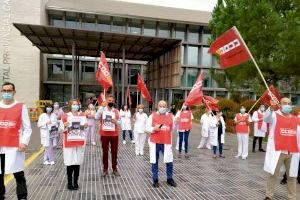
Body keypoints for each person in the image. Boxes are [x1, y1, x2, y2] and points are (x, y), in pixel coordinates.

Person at [0, 82, 32, 200]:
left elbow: (27, 128)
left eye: (9, 91)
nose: (7, 93)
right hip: (1, 147)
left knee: (18, 174)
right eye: (4, 91)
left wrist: (24, 142)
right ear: (1, 92)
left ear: (14, 92)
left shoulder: (21, 107)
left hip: (15, 147)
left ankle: (22, 197)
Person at [263, 97, 300, 200]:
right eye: (284, 103)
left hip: (292, 152)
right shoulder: (274, 115)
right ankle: (269, 196)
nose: (287, 105)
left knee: (292, 176)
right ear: (280, 104)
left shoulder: (295, 118)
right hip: (278, 151)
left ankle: (292, 197)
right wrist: (271, 107)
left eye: (289, 103)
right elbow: (266, 118)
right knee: (273, 174)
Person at [146, 100, 177, 188]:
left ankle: (169, 179)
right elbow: (147, 127)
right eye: (160, 106)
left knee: (169, 161)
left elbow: (174, 128)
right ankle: (155, 180)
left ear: (166, 107)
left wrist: (177, 122)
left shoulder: (171, 116)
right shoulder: (153, 115)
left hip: (166, 142)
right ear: (158, 106)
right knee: (154, 161)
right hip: (155, 142)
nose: (162, 108)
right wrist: (153, 128)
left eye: (164, 106)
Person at [60, 99, 87, 190]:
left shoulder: (82, 116)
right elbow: (61, 129)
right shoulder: (65, 116)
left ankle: (75, 182)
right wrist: (65, 125)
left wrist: (85, 126)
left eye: (77, 104)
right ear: (70, 106)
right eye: (74, 104)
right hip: (69, 143)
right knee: (70, 162)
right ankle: (69, 182)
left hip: (79, 142)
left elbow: (84, 128)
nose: (75, 106)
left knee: (77, 162)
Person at [95, 94, 120, 177]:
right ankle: (105, 169)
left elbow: (120, 122)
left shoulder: (116, 111)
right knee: (105, 152)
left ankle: (114, 169)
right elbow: (96, 117)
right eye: (109, 101)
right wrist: (101, 107)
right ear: (106, 101)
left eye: (112, 101)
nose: (111, 102)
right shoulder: (102, 109)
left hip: (114, 134)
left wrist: (116, 121)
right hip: (104, 134)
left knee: (114, 152)